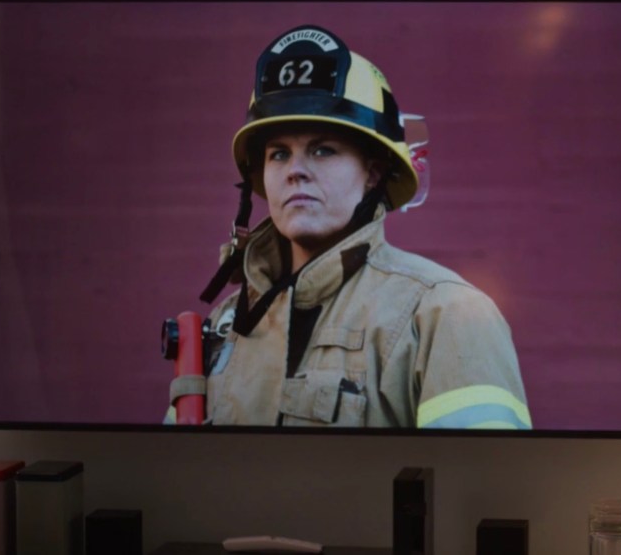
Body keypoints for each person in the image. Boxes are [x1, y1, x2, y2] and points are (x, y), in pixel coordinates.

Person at [169, 24, 531, 429]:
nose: (296, 172)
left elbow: (480, 483)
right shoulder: (225, 326)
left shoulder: (445, 315)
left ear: (373, 174)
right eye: (278, 154)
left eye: (323, 150)